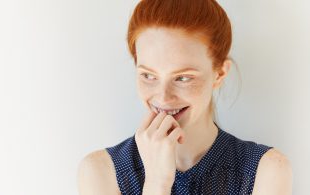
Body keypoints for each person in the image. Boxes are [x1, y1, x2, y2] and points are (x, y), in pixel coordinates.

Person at [77, 0, 292, 194]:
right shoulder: (101, 172)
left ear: (219, 74)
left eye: (183, 78)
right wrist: (157, 183)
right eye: (148, 75)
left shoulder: (265, 170)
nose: (163, 97)